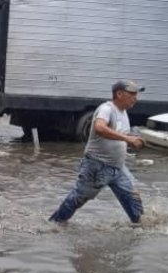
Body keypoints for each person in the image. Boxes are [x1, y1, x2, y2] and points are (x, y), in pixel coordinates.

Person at [50, 81, 145, 225]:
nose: (135, 98)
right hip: (97, 166)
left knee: (134, 198)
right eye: (132, 94)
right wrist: (127, 139)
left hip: (118, 167)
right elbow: (100, 128)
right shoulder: (107, 109)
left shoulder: (123, 112)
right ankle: (55, 224)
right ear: (119, 94)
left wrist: (133, 138)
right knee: (78, 199)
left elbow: (118, 135)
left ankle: (141, 229)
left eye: (136, 94)